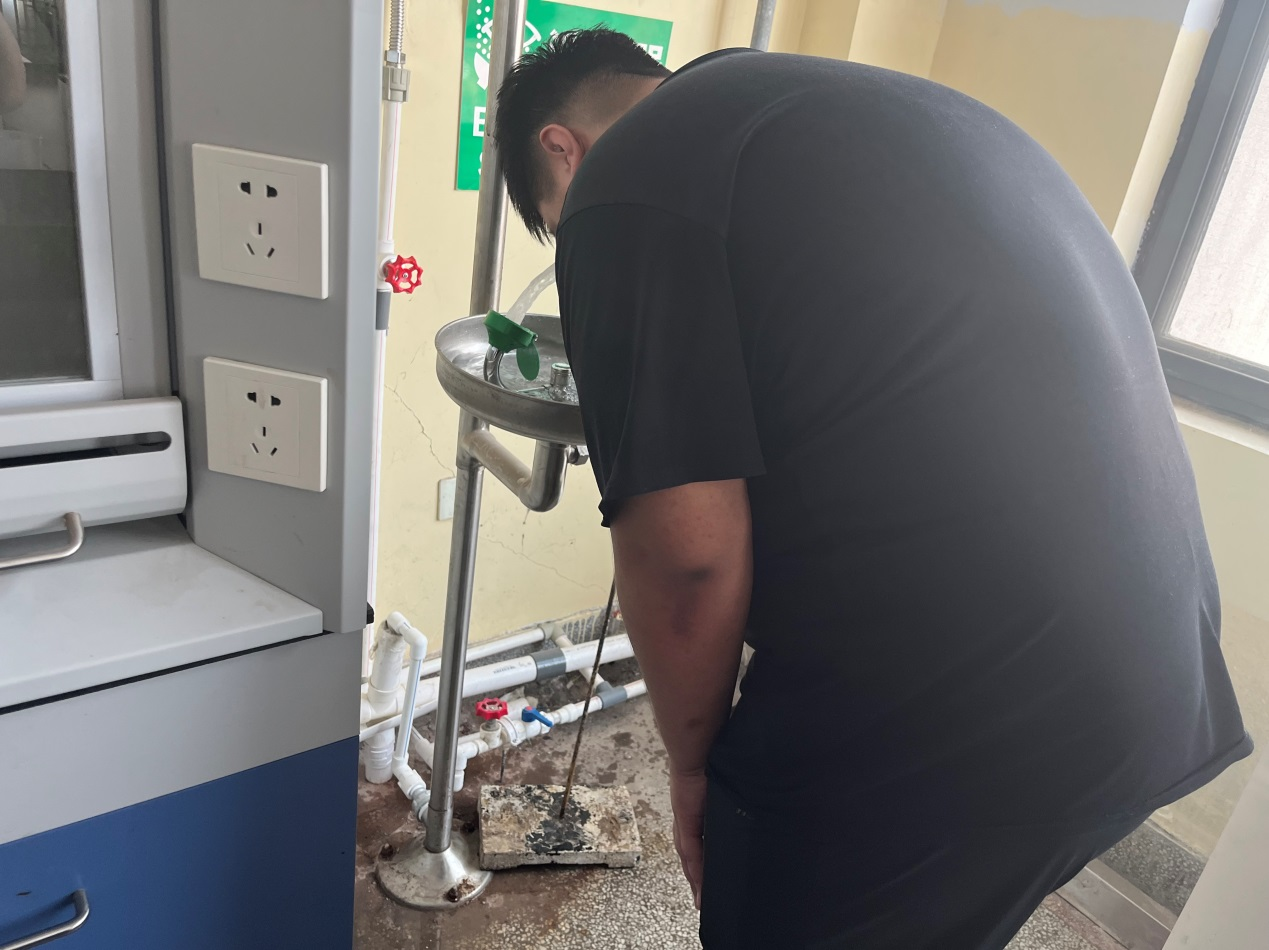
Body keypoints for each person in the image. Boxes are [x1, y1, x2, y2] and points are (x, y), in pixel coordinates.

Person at [493, 29, 1251, 949]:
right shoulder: (879, 110)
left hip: (959, 703)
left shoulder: (623, 187)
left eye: (558, 218)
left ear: (562, 151)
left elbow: (687, 555)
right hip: (1153, 671)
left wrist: (691, 769)